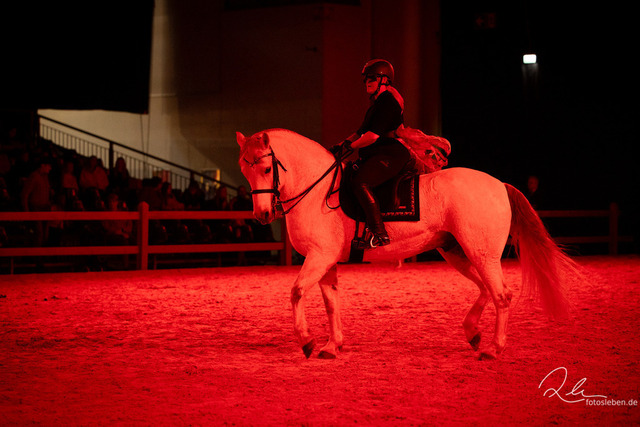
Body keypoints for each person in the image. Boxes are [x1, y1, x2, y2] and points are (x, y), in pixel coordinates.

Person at [333, 59, 412, 247]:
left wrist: (352, 147)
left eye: (372, 78)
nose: (367, 82)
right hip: (378, 153)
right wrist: (340, 145)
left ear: (384, 80)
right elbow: (359, 132)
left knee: (361, 182)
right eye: (366, 79)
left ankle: (379, 232)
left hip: (391, 154)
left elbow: (372, 136)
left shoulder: (388, 102)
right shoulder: (376, 105)